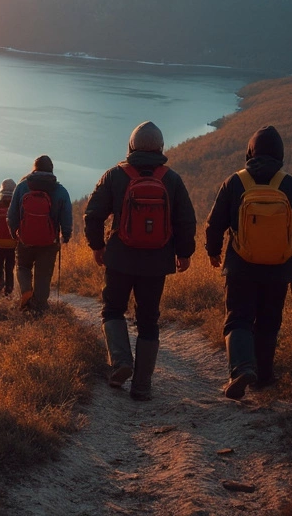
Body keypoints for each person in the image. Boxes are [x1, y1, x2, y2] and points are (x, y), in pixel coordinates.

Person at [83, 122, 196, 401]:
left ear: (131, 146)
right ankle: (142, 385)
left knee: (112, 310)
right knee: (148, 320)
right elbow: (186, 220)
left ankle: (121, 363)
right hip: (156, 262)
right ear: (161, 148)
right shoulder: (171, 179)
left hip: (120, 258)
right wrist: (184, 253)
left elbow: (92, 214)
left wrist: (98, 246)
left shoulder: (115, 175)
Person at [205, 125, 292, 400]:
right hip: (279, 270)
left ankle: (242, 368)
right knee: (268, 323)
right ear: (280, 154)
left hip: (241, 266)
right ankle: (264, 378)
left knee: (238, 319)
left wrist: (213, 252)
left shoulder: (235, 182)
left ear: (250, 152)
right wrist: (289, 255)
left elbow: (214, 224)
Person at [7, 156, 73, 312]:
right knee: (43, 274)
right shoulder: (60, 190)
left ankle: (26, 291)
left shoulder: (22, 187)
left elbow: (12, 214)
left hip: (25, 239)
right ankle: (40, 308)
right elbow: (67, 215)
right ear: (51, 170)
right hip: (49, 242)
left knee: (22, 267)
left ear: (34, 169)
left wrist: (14, 232)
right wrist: (66, 235)